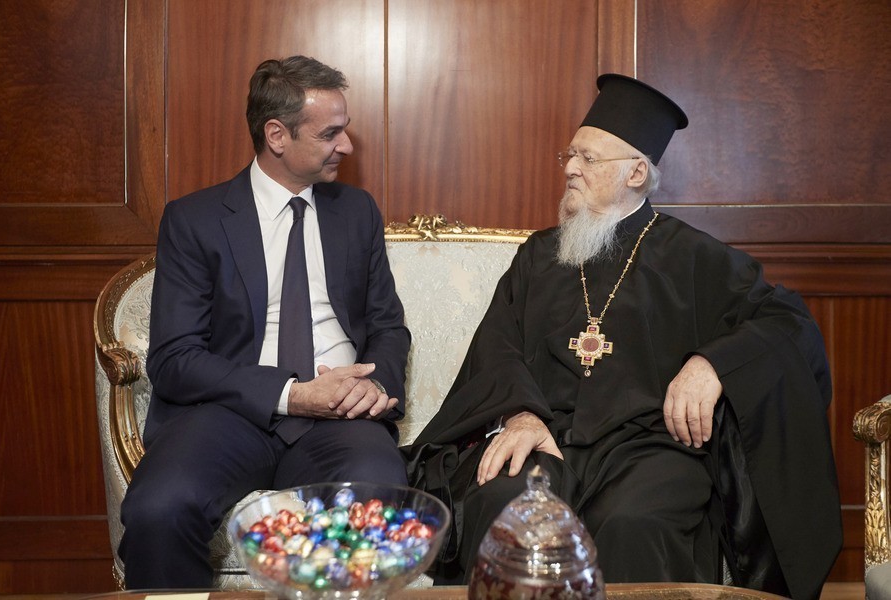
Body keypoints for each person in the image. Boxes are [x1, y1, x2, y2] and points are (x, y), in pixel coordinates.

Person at [404, 74, 841, 600]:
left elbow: (789, 322)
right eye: (570, 155)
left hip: (651, 447)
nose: (570, 167)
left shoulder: (694, 257)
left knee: (636, 521)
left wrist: (712, 364)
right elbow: (498, 346)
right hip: (546, 436)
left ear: (636, 172)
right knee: (504, 506)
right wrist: (520, 415)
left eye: (588, 158)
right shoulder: (539, 255)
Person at [119, 56, 410, 588]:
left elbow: (388, 325)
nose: (346, 146)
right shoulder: (195, 220)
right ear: (277, 135)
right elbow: (175, 358)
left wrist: (374, 386)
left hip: (342, 420)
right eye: (330, 133)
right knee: (159, 508)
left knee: (375, 501)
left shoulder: (356, 212)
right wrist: (291, 395)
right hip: (227, 415)